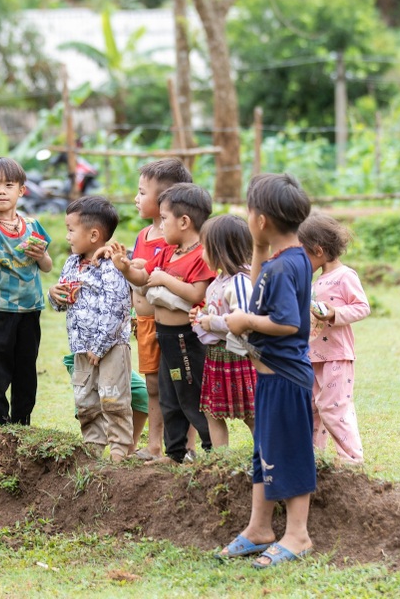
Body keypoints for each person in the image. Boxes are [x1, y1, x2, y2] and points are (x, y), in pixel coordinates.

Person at [220, 173, 315, 569]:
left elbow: (286, 322)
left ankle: (298, 534)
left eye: (249, 212)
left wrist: (245, 322)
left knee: (288, 454)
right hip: (271, 377)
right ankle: (259, 527)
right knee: (266, 451)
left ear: (260, 220)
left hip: (285, 378)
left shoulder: (283, 268)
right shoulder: (289, 259)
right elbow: (261, 293)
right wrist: (258, 247)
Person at [110, 182, 215, 464]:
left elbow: (197, 294)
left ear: (184, 221)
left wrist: (165, 279)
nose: (161, 224)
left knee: (191, 396)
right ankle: (175, 453)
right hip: (165, 337)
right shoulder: (169, 252)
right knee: (169, 397)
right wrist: (125, 268)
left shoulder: (202, 255)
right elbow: (144, 278)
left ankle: (212, 451)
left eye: (165, 218)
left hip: (186, 339)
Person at [49, 196, 133, 461]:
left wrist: (100, 346)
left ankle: (119, 449)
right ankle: (93, 446)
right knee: (85, 400)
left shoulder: (111, 265)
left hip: (111, 346)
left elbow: (117, 308)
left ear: (94, 235)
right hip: (81, 347)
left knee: (113, 398)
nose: (67, 236)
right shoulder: (71, 263)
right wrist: (55, 295)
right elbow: (63, 301)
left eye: (71, 229)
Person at [0, 157, 53, 431]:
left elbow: (47, 266)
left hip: (31, 309)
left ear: (21, 190)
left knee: (26, 370)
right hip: (0, 311)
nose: (1, 191)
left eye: (9, 185)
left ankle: (23, 424)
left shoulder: (33, 226)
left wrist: (41, 255)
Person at [127, 159, 193, 461]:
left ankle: (186, 446)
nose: (136, 198)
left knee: (181, 384)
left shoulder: (176, 241)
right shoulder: (142, 236)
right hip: (144, 322)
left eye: (142, 193)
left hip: (172, 325)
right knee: (153, 383)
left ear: (167, 198)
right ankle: (154, 444)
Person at [299, 212, 370, 465]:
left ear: (318, 250)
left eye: (303, 253)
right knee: (312, 408)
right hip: (313, 356)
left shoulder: (345, 276)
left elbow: (362, 307)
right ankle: (313, 458)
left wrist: (334, 313)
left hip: (337, 355)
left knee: (334, 407)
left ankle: (351, 458)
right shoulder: (316, 280)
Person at [190, 215, 257, 449]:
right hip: (217, 356)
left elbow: (245, 321)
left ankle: (267, 456)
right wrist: (201, 320)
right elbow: (216, 315)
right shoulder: (218, 281)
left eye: (205, 248)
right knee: (212, 412)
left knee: (251, 413)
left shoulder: (240, 283)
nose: (201, 254)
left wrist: (212, 322)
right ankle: (221, 459)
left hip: (238, 356)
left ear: (221, 250)